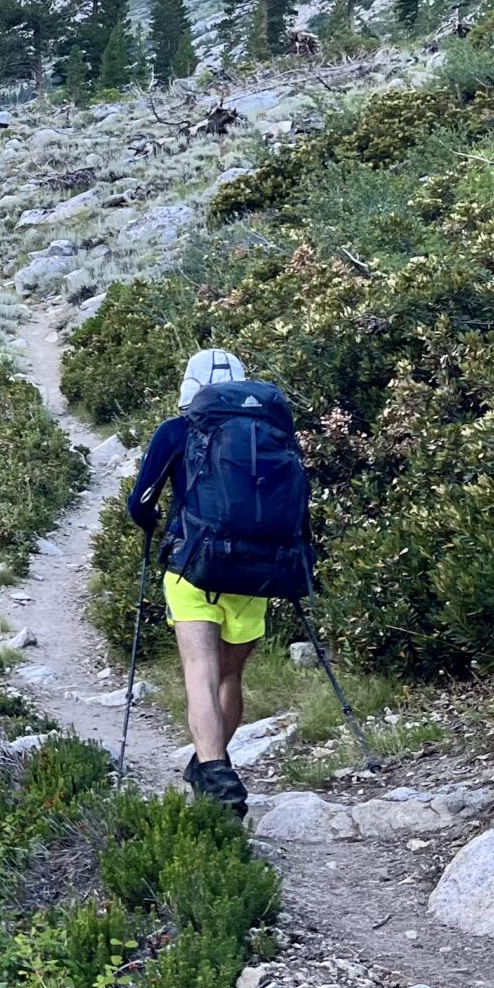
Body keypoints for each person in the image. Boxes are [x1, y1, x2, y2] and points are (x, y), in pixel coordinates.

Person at [123, 348, 302, 817]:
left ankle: (217, 776)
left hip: (193, 568)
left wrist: (155, 519)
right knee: (230, 674)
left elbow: (139, 504)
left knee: (199, 672)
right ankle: (211, 763)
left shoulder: (177, 430)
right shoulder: (271, 429)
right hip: (258, 571)